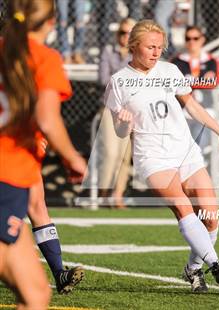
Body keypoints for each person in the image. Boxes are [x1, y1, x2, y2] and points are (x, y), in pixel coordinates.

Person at [104, 20, 219, 292]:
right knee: (183, 208)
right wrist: (124, 122)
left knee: (210, 216)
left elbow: (193, 107)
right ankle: (215, 264)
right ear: (134, 45)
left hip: (185, 150)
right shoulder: (119, 82)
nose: (155, 53)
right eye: (150, 47)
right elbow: (119, 130)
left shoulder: (170, 70)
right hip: (152, 156)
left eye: (160, 48)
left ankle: (193, 269)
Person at [0, 0, 86, 307]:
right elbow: (48, 118)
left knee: (36, 293)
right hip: (6, 175)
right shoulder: (43, 57)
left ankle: (58, 272)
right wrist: (73, 158)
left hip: (14, 171)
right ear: (52, 22)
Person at [98, 18, 136, 208]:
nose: (125, 37)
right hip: (111, 108)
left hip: (131, 110)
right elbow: (104, 80)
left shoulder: (138, 55)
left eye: (129, 33)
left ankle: (118, 195)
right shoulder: (108, 51)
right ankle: (104, 193)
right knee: (112, 153)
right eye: (122, 32)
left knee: (125, 155)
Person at [172, 25, 219, 151]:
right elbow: (174, 84)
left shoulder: (211, 61)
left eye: (195, 38)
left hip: (205, 111)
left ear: (202, 39)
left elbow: (214, 82)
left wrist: (187, 81)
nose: (191, 42)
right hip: (183, 112)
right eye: (188, 39)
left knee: (197, 148)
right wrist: (201, 81)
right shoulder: (177, 61)